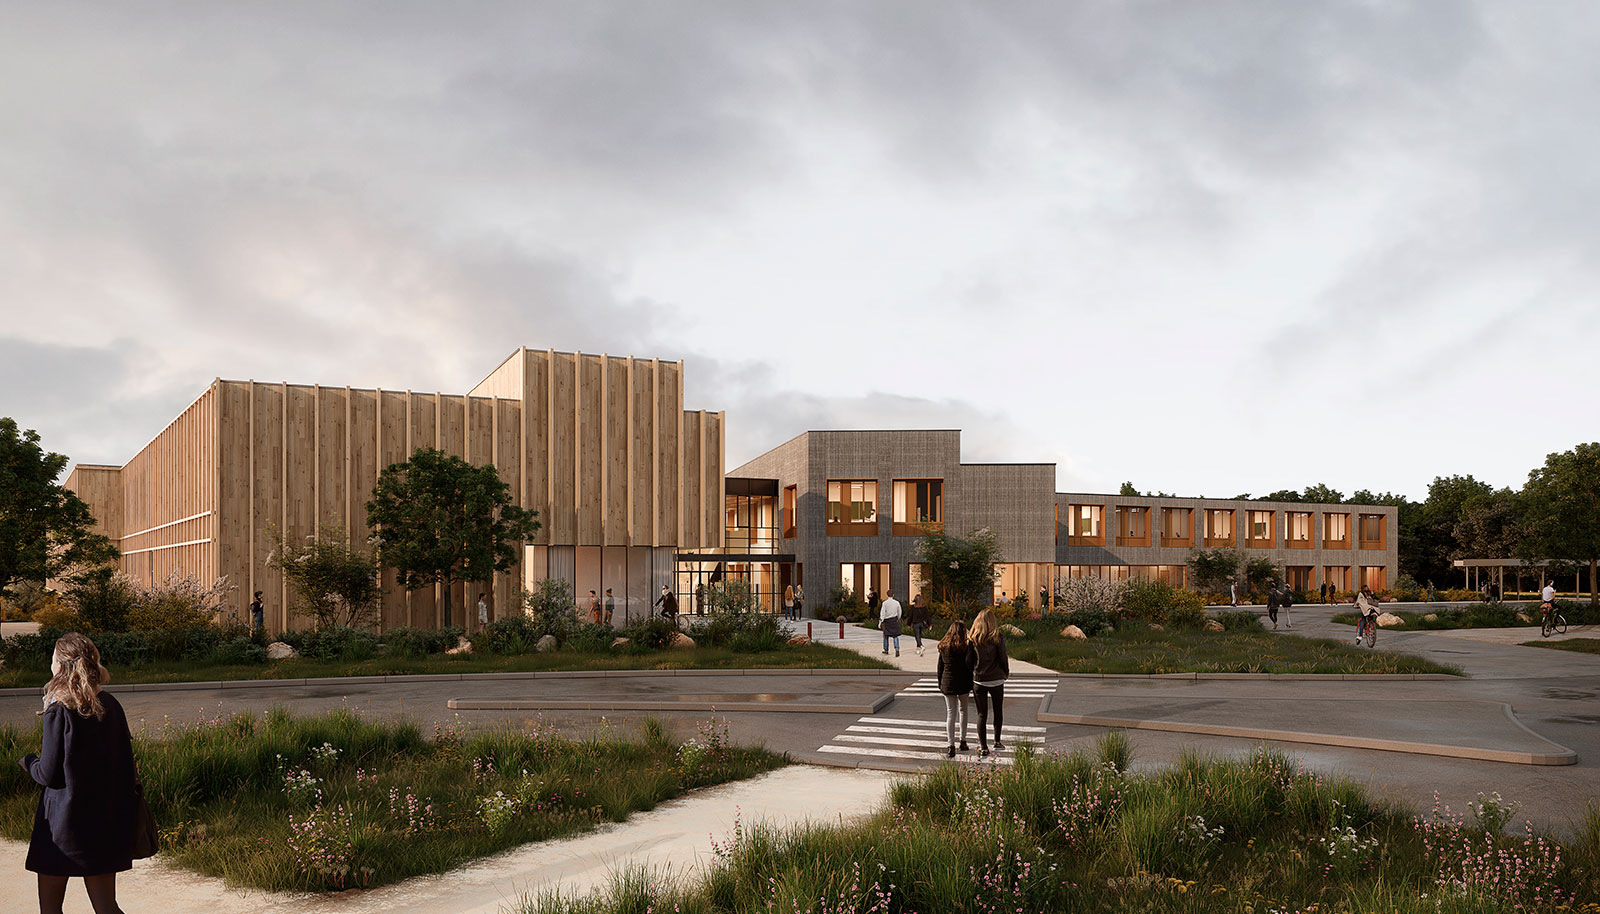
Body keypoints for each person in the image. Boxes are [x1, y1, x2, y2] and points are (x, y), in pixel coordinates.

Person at [20, 632, 140, 914]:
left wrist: (27, 761)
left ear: (60, 666)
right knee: (107, 907)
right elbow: (125, 764)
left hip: (63, 826)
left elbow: (47, 774)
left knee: (51, 910)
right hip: (105, 821)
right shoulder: (111, 704)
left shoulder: (59, 709)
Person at [968, 608, 1009, 757]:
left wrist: (971, 673)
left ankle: (984, 747)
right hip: (997, 679)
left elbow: (969, 661)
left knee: (981, 714)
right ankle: (997, 741)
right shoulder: (998, 637)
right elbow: (1003, 658)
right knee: (998, 711)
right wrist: (1006, 672)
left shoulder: (973, 639)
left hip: (979, 680)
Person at [936, 620, 975, 758]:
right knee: (963, 710)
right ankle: (963, 741)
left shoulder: (944, 646)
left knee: (950, 713)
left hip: (948, 682)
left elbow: (940, 667)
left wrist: (940, 683)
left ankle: (950, 745)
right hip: (963, 682)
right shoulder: (966, 646)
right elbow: (971, 664)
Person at [879, 590, 903, 657]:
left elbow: (882, 613)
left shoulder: (885, 603)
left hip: (887, 621)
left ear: (887, 595)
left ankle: (886, 650)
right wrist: (898, 618)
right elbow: (899, 612)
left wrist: (880, 621)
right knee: (895, 635)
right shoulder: (897, 603)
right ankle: (897, 648)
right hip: (894, 620)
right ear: (893, 595)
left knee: (886, 636)